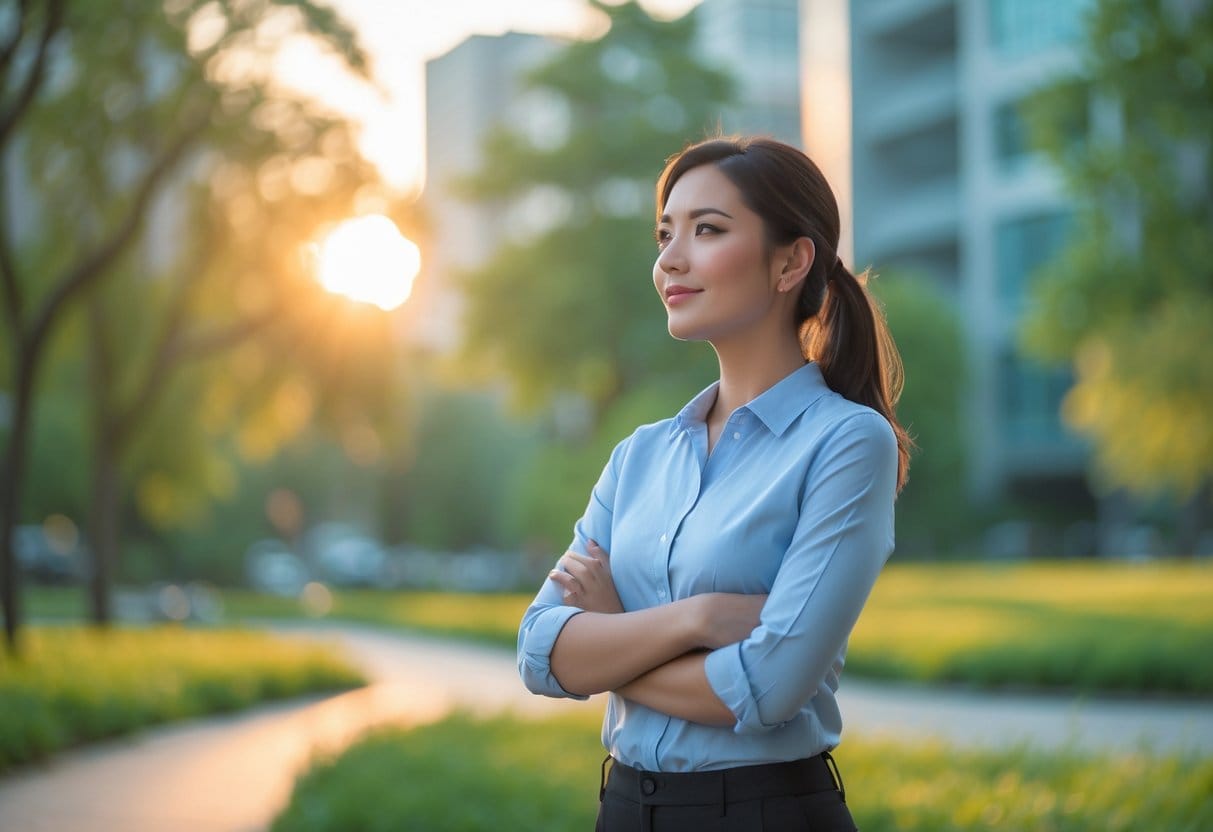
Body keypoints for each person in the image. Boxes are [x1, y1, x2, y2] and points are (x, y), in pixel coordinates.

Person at [517, 136, 912, 831]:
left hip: (763, 813)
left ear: (791, 261)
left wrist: (608, 642)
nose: (670, 259)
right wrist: (692, 622)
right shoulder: (637, 458)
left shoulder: (846, 443)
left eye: (707, 230)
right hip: (622, 810)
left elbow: (766, 688)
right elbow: (538, 652)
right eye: (665, 234)